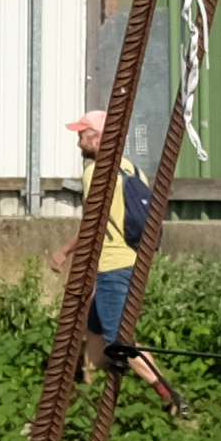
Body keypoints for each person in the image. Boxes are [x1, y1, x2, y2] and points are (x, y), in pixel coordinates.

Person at [54, 113, 180, 406]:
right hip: (134, 262)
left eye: (82, 135)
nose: (78, 142)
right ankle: (87, 393)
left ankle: (169, 395)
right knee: (93, 329)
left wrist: (64, 251)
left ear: (98, 138)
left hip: (113, 268)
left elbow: (92, 225)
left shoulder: (95, 173)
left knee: (118, 338)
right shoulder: (133, 170)